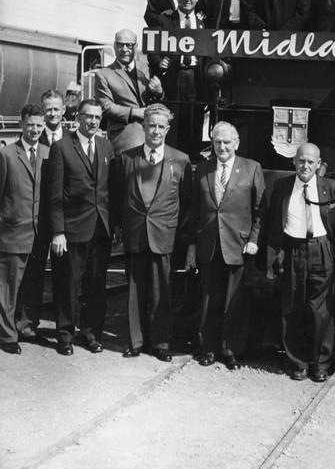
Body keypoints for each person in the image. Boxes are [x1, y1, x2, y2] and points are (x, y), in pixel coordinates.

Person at [113, 104, 192, 362]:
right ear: (144, 127)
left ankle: (161, 343)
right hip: (136, 233)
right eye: (151, 126)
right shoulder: (127, 158)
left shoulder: (180, 161)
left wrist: (181, 237)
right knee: (135, 290)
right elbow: (117, 197)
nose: (156, 131)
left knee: (162, 291)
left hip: (163, 235)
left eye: (161, 126)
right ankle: (135, 341)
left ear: (167, 129)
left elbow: (186, 202)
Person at [185, 121, 265, 369]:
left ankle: (231, 350)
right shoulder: (203, 170)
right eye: (217, 142)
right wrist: (191, 245)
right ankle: (208, 348)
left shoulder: (252, 168)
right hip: (209, 244)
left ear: (236, 143)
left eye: (227, 142)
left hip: (238, 245)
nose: (222, 147)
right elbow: (195, 210)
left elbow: (260, 211)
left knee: (235, 301)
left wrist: (253, 240)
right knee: (209, 299)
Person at [266, 142, 335, 382]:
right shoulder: (282, 187)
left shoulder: (331, 187)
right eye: (301, 160)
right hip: (293, 250)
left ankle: (321, 363)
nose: (305, 165)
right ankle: (297, 362)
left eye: (311, 161)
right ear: (294, 161)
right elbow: (273, 222)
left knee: (321, 311)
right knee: (293, 307)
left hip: (321, 250)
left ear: (319, 164)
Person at [48, 100, 114, 355]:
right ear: (78, 117)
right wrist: (58, 231)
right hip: (72, 230)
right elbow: (55, 195)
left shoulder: (106, 146)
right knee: (67, 284)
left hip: (100, 229)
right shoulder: (61, 147)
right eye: (89, 117)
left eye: (98, 117)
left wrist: (113, 225)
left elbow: (111, 190)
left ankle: (91, 333)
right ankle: (65, 335)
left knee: (96, 286)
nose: (94, 122)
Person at [0, 105, 49, 353]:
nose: (35, 130)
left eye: (39, 125)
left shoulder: (48, 154)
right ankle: (7, 335)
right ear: (21, 124)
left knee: (32, 284)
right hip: (12, 232)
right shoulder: (7, 155)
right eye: (31, 124)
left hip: (39, 234)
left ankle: (26, 328)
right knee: (8, 287)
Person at [148, 0, 206, 158]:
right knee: (174, 121)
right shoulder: (164, 20)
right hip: (174, 77)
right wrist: (159, 62)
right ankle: (171, 159)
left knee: (194, 120)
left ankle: (192, 161)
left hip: (197, 78)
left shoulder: (204, 21)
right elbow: (152, 48)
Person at [95, 29, 164, 154]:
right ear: (115, 46)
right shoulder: (103, 74)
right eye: (121, 45)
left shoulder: (148, 69)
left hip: (153, 131)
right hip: (124, 134)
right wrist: (133, 112)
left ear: (136, 46)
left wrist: (160, 92)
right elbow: (105, 107)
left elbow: (161, 101)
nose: (125, 49)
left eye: (129, 45)